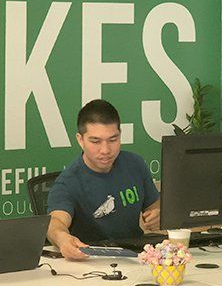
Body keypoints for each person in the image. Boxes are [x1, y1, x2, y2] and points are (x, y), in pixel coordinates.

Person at [46, 99, 161, 259]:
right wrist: (63, 240)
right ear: (80, 140)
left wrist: (158, 214)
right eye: (95, 141)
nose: (106, 150)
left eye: (113, 140)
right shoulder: (68, 182)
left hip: (136, 256)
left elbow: (155, 206)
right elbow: (55, 222)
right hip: (92, 261)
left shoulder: (135, 163)